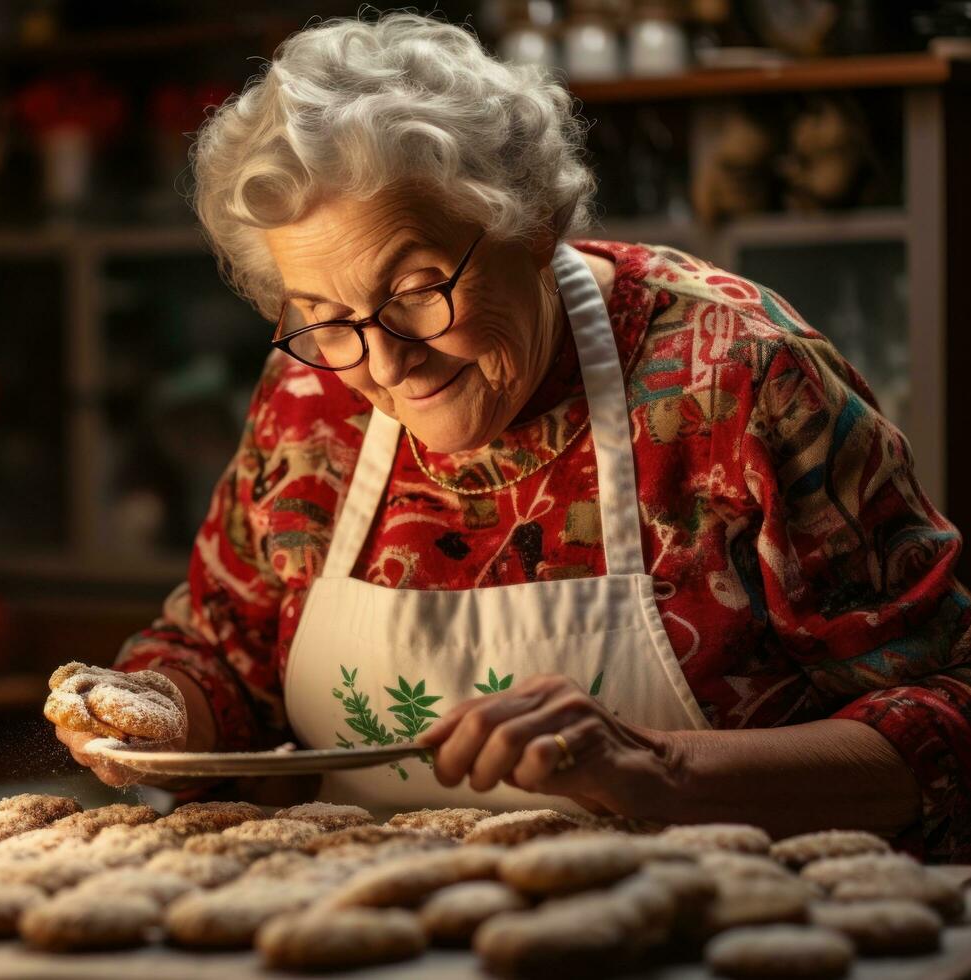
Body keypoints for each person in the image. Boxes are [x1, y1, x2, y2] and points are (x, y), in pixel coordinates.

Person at [54, 12, 971, 860]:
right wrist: (159, 710)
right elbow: (226, 658)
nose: (384, 364)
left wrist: (657, 771)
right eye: (326, 315)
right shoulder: (309, 392)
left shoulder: (741, 376)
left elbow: (948, 717)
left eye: (414, 292)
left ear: (533, 223)